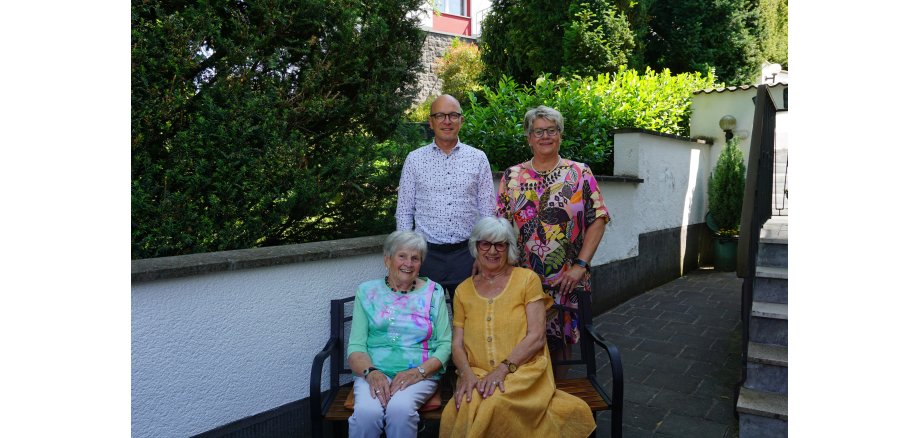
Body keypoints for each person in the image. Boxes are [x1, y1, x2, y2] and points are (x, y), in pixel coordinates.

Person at [439, 217, 595, 437]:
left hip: (523, 371)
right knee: (466, 402)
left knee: (494, 402)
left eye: (500, 244)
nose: (492, 251)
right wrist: (465, 374)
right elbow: (457, 343)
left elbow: (537, 336)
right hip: (477, 372)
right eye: (486, 243)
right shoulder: (463, 290)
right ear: (476, 247)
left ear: (509, 249)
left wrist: (502, 370)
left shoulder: (526, 280)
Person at [495, 105, 610, 376]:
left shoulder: (580, 173)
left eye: (551, 130)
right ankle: (528, 401)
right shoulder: (512, 177)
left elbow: (599, 219)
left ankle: (555, 400)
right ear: (529, 137)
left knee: (561, 346)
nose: (545, 136)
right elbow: (499, 226)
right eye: (538, 132)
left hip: (567, 277)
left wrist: (580, 265)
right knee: (521, 340)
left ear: (560, 135)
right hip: (523, 279)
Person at [346, 230, 452, 438]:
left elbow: (445, 344)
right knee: (367, 412)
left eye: (415, 258)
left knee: (400, 410)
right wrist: (371, 373)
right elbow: (356, 345)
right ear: (387, 259)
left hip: (420, 374)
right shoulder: (367, 292)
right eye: (401, 256)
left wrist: (419, 372)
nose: (408, 263)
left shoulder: (434, 292)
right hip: (374, 372)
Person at [395, 94, 495, 296]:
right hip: (426, 257)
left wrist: (482, 255)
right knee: (425, 321)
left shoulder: (478, 158)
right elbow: (404, 212)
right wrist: (407, 257)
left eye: (453, 115)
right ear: (431, 122)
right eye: (440, 115)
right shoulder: (414, 159)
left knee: (469, 320)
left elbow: (488, 213)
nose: (447, 121)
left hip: (467, 256)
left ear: (461, 120)